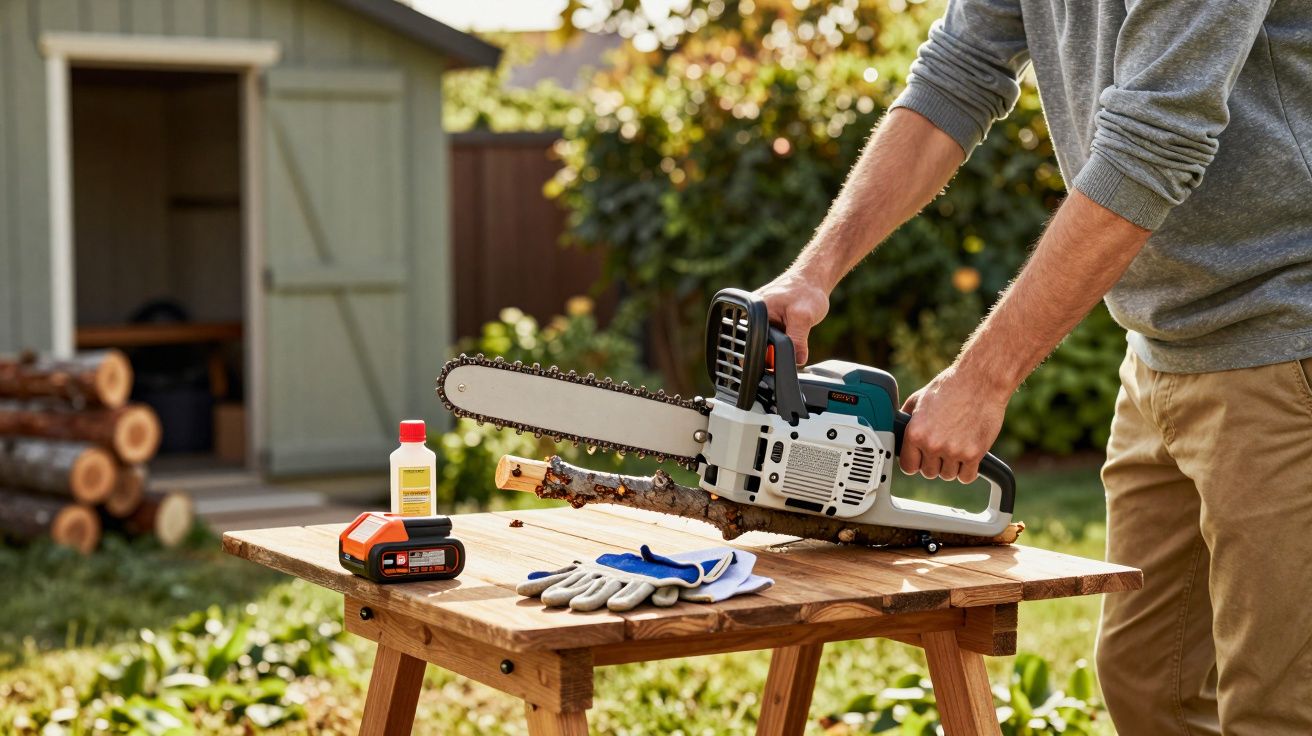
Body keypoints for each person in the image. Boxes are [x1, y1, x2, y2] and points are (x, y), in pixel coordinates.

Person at [756, 1, 1312, 733]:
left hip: (1286, 335)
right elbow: (958, 71)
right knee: (1150, 686)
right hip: (1161, 346)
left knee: (1278, 707)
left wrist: (983, 379)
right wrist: (813, 272)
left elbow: (1155, 141)